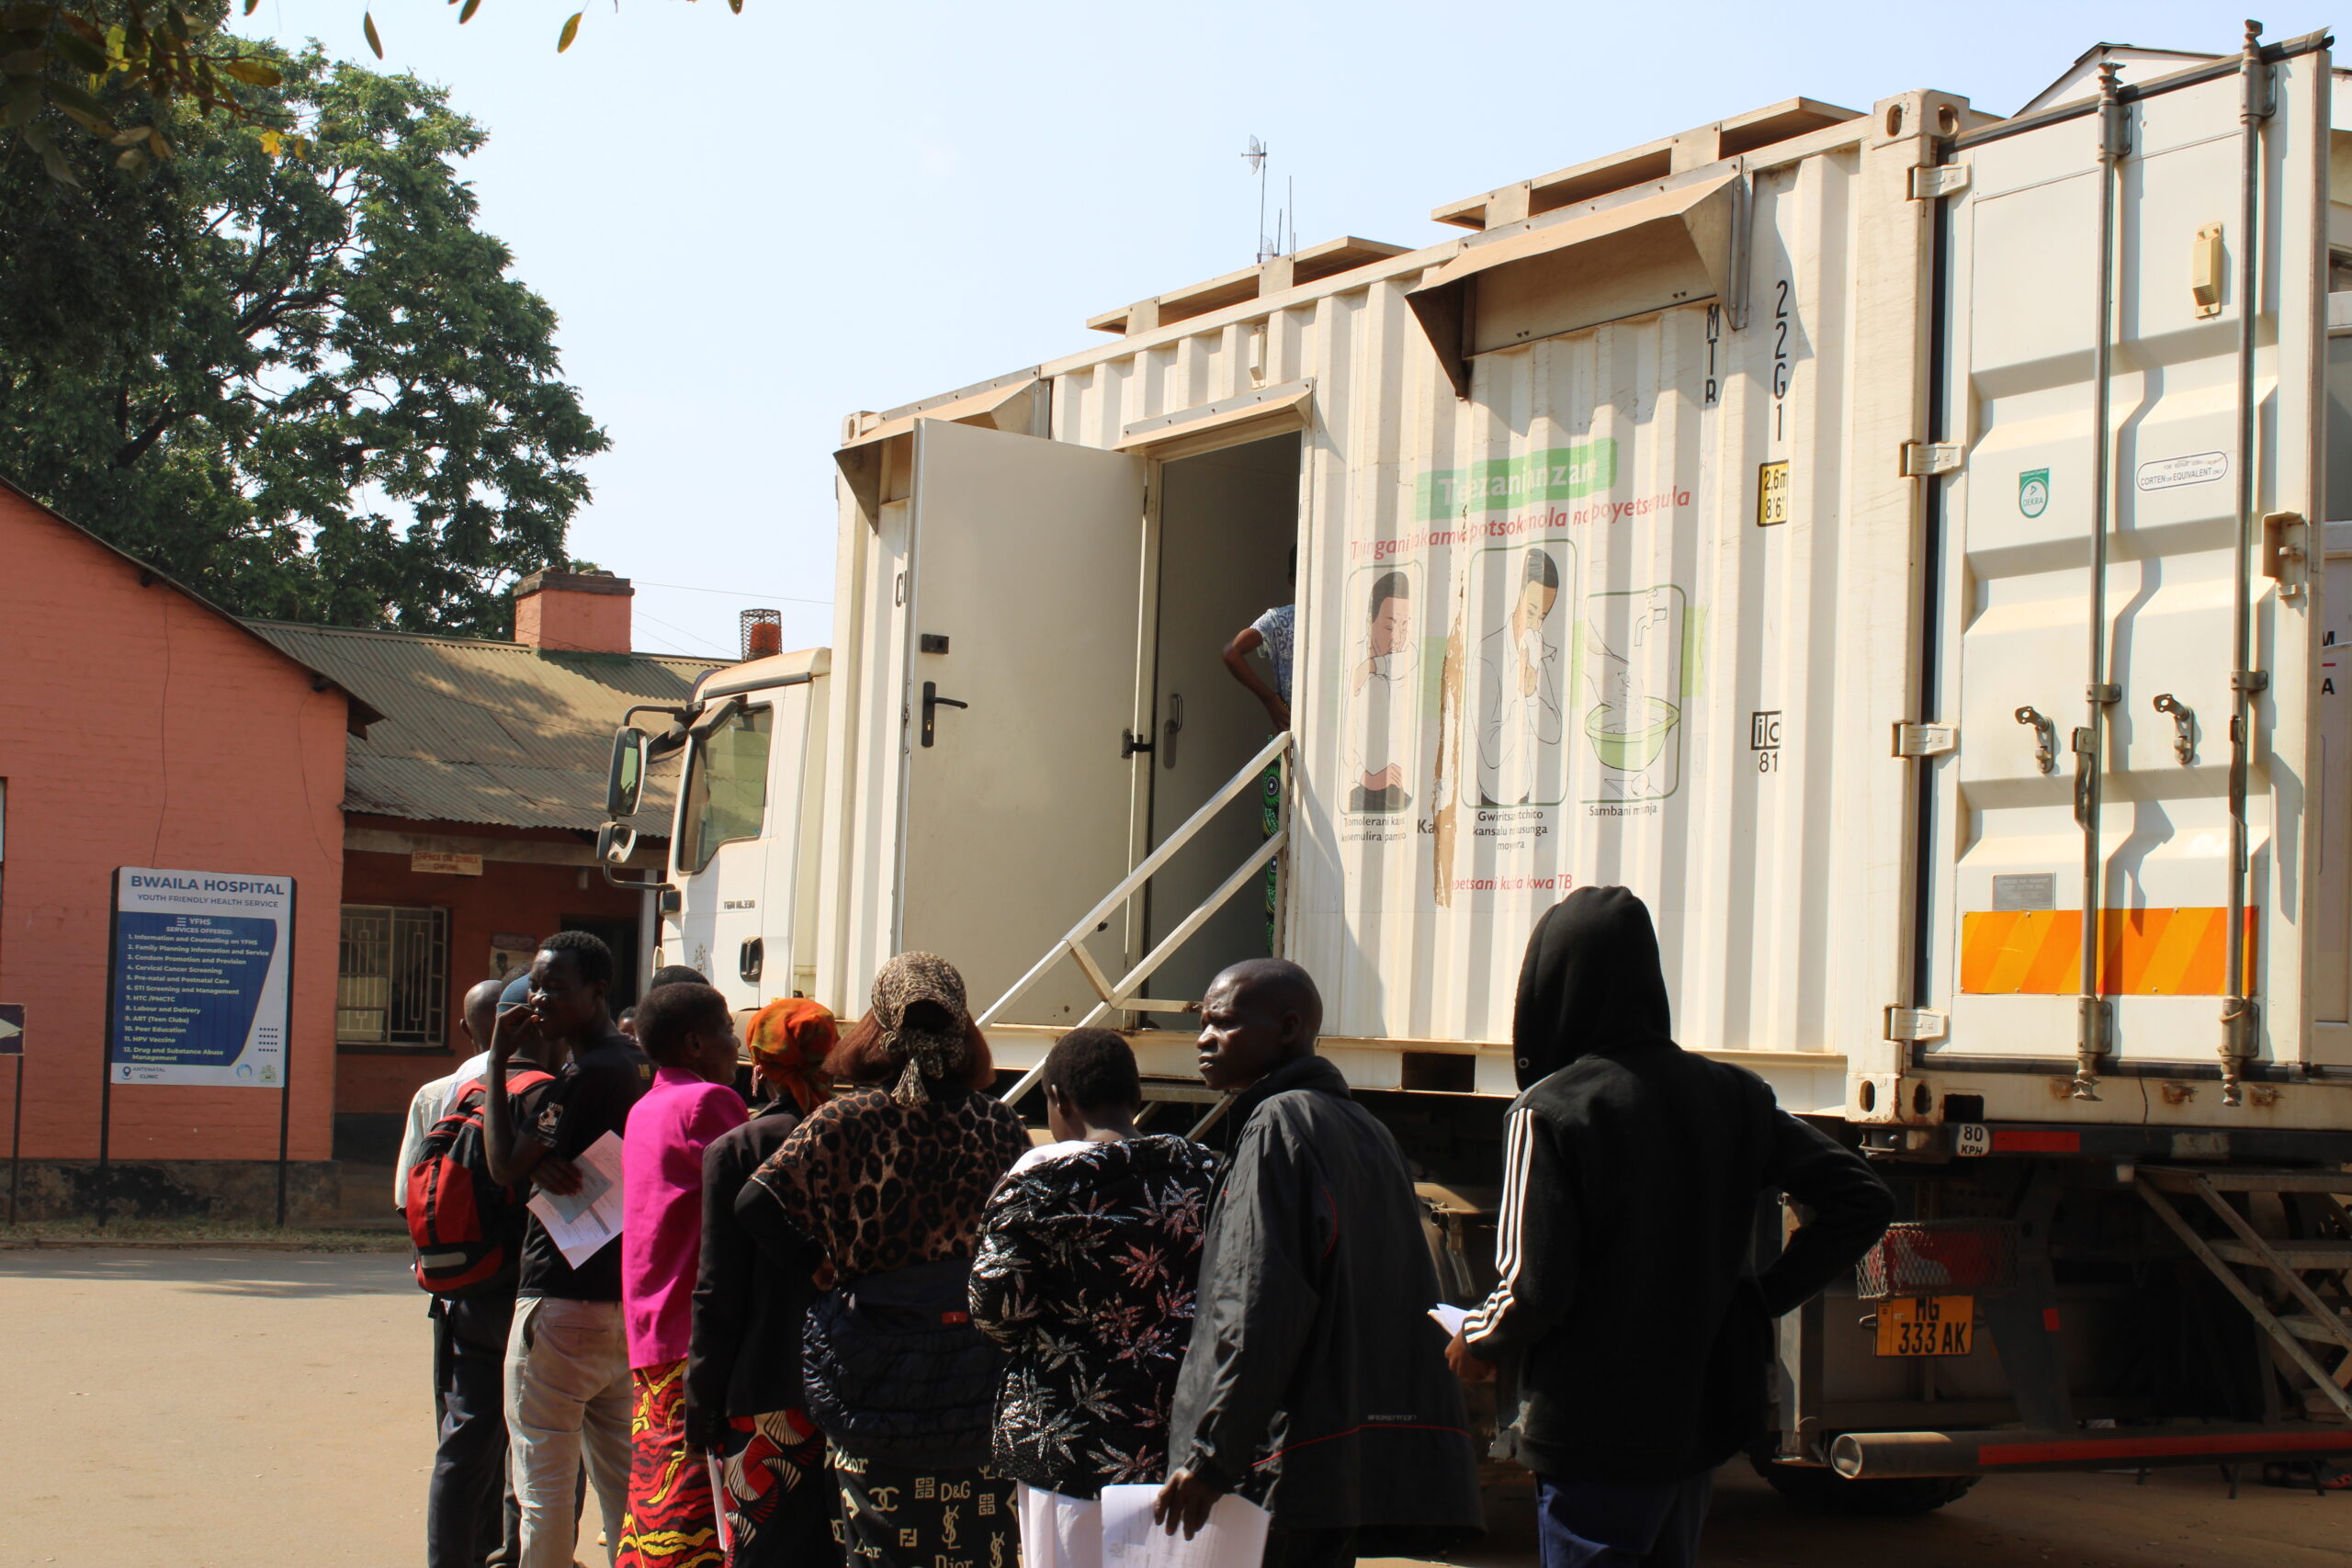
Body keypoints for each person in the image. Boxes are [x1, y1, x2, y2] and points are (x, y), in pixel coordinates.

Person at [1445, 888, 1894, 1568]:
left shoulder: (1548, 1110)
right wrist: (1757, 1298)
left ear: (1550, 986)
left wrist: (1478, 1339)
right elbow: (1861, 1196)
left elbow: (1533, 1284)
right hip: (1698, 1418)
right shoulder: (1735, 1093)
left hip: (1591, 1431)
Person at [1156, 959, 1482, 1568]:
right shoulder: (1364, 1128)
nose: (1203, 1037)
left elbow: (1254, 1307)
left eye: (1223, 1022)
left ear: (1287, 1027)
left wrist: (1209, 1458)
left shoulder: (1277, 1127)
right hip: (1338, 1471)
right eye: (1201, 1022)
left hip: (1282, 1472)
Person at [739, 953, 1028, 1568]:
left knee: (877, 1540)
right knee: (979, 1537)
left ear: (881, 1023)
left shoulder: (846, 1119)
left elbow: (755, 1203)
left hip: (867, 1364)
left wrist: (816, 1263)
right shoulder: (998, 1123)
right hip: (976, 1365)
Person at [970, 1028, 1221, 1568]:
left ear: (1058, 1099)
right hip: (1180, 1443)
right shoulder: (1205, 1170)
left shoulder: (1037, 1183)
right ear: (1136, 1096)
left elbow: (995, 1311)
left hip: (1066, 1441)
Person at [484, 930, 654, 1568]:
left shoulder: (584, 1074)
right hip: (621, 1308)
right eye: (535, 983)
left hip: (558, 1300)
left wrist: (500, 1061)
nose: (539, 996)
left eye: (557, 985)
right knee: (628, 1486)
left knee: (545, 1485)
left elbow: (503, 1163)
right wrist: (541, 1163)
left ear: (599, 991)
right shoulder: (637, 1063)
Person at [689, 998, 841, 1567]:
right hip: (856, 1390)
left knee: (766, 1552)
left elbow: (717, 1291)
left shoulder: (735, 1150)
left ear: (760, 1068)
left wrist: (701, 1399)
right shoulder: (860, 1137)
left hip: (766, 1390)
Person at [614, 982, 750, 1568]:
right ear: (695, 1042)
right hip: (690, 1323)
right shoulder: (709, 1103)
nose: (734, 1041)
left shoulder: (646, 1105)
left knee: (655, 1478)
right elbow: (748, 1204)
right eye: (725, 1028)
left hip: (650, 1321)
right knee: (693, 1492)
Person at [417, 976, 527, 1568]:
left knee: (462, 1441)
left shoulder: (444, 1091)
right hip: (523, 1290)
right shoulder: (549, 1094)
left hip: (460, 1288)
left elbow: (410, 1196)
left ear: (468, 1029)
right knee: (534, 1444)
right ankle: (514, 1555)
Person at [1476, 547, 1565, 807]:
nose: (1535, 625)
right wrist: (1519, 696)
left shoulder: (1534, 645)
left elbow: (1552, 730)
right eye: (1530, 612)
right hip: (1493, 801)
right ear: (1515, 597)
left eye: (1542, 616)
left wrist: (1532, 695)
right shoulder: (1487, 656)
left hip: (1524, 795)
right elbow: (1492, 752)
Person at [1346, 570, 1415, 813]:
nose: (1398, 638)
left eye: (1405, 627)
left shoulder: (1405, 659)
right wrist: (1366, 778)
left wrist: (1374, 665)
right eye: (1390, 627)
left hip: (1397, 790)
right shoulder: (1349, 662)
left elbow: (1411, 655)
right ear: (1369, 622)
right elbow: (1338, 739)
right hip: (1360, 791)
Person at [1222, 604, 1295, 731]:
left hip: (1290, 730)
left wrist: (1269, 700)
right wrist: (1270, 700)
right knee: (1271, 739)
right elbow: (1231, 654)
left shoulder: (1279, 618)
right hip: (1332, 727)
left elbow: (1231, 653)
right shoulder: (1338, 616)